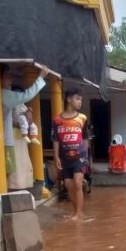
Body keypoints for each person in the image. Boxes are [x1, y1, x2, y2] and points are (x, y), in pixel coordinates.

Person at [0, 64, 48, 178]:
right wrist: (41, 77)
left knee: (2, 176)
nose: (11, 80)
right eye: (7, 76)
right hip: (3, 141)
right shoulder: (3, 93)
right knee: (3, 175)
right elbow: (27, 95)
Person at [52, 88, 89, 221]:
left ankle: (78, 214)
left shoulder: (82, 118)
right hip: (65, 158)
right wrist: (56, 157)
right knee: (69, 185)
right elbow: (55, 140)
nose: (80, 102)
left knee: (78, 184)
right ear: (68, 99)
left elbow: (85, 139)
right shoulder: (57, 120)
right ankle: (77, 212)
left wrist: (86, 159)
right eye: (77, 98)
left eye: (81, 99)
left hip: (80, 156)